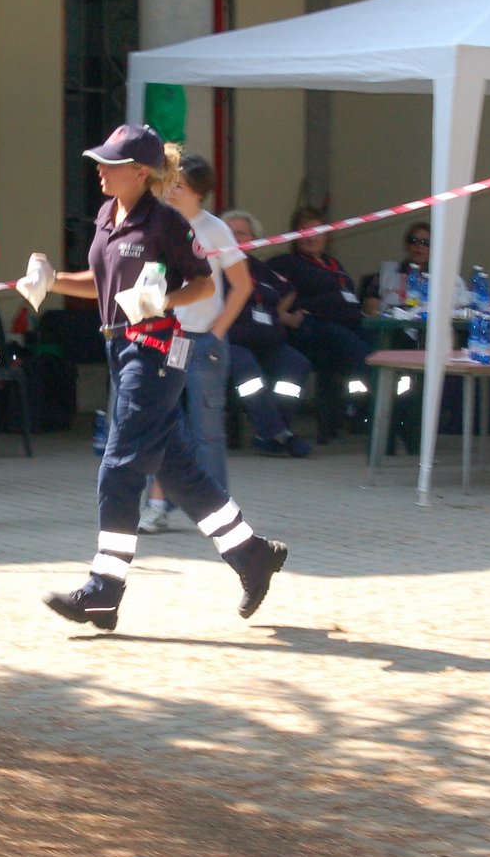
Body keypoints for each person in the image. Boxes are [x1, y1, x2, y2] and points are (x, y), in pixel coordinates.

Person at [20, 124, 287, 632]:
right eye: (99, 160)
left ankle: (105, 586)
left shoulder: (164, 222)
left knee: (120, 465)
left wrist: (162, 299)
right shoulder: (106, 215)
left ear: (140, 172)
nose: (99, 168)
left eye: (110, 163)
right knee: (181, 473)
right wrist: (51, 281)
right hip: (121, 348)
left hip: (159, 352)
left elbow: (204, 284)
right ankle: (251, 554)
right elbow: (100, 283)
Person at [139, 152, 250, 535]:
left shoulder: (215, 229)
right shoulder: (157, 224)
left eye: (180, 186)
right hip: (164, 339)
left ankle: (218, 512)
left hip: (203, 341)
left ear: (198, 193)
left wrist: (217, 332)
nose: (171, 191)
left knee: (207, 430)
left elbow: (242, 285)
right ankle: (156, 506)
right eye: (168, 183)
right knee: (162, 426)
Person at [265, 205, 374, 440]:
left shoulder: (334, 265)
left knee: (380, 344)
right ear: (294, 235)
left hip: (350, 323)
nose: (311, 236)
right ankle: (376, 415)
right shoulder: (285, 263)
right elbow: (272, 300)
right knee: (362, 353)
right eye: (304, 230)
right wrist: (290, 315)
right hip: (313, 328)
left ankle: (370, 412)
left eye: (317, 230)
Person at [221, 210, 314, 458]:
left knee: (297, 363)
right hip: (231, 341)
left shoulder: (261, 269)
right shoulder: (213, 266)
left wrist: (281, 314)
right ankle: (278, 433)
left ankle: (269, 434)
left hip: (269, 342)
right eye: (229, 232)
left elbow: (288, 290)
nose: (235, 237)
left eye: (241, 232)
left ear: (254, 238)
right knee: (248, 370)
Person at [360, 219, 431, 316]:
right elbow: (370, 307)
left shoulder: (439, 278)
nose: (418, 246)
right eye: (413, 241)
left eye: (425, 242)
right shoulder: (387, 273)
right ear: (407, 246)